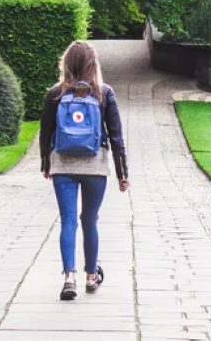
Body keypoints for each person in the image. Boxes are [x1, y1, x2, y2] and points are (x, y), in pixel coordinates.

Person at [39, 41, 129, 300]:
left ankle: (70, 276)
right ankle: (91, 277)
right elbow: (116, 137)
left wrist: (47, 164)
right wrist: (122, 172)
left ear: (66, 63)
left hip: (63, 164)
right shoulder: (103, 93)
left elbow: (45, 134)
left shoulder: (56, 93)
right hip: (95, 165)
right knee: (89, 220)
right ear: (93, 64)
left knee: (67, 220)